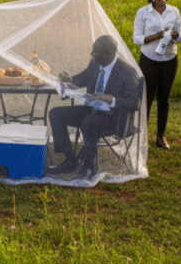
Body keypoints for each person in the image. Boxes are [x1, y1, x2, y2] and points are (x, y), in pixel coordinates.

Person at [46, 35, 141, 179]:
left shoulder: (127, 72)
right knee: (56, 114)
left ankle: (89, 165)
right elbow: (82, 78)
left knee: (89, 122)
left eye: (96, 54)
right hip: (91, 111)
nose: (93, 56)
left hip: (114, 119)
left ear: (108, 54)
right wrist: (70, 80)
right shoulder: (96, 63)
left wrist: (111, 99)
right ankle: (70, 159)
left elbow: (135, 103)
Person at [132, 0, 181, 150]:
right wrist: (157, 35)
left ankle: (160, 136)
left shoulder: (174, 11)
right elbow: (136, 38)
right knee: (147, 98)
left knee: (164, 98)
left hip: (169, 59)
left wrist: (174, 34)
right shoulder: (143, 12)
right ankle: (142, 137)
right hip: (149, 59)